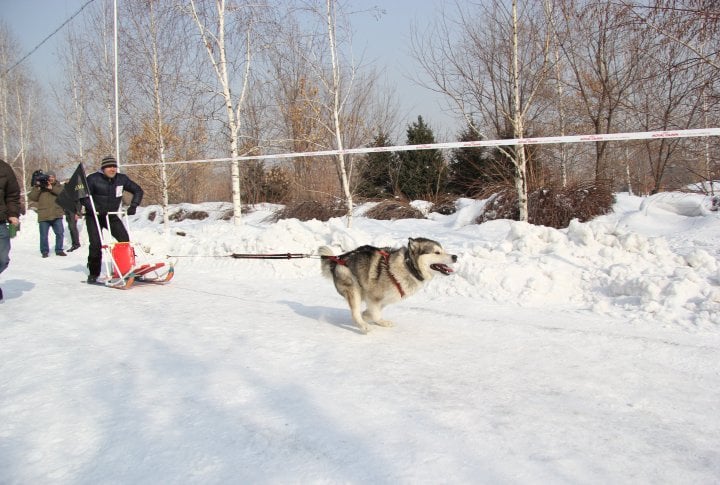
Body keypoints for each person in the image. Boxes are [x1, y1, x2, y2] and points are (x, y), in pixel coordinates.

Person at [83, 155, 143, 283]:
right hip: (94, 216)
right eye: (109, 167)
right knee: (96, 244)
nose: (112, 169)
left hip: (111, 215)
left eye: (114, 167)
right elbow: (82, 196)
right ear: (103, 168)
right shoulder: (93, 179)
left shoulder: (121, 179)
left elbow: (138, 190)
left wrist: (133, 205)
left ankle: (127, 269)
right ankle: (93, 273)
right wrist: (96, 208)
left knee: (124, 241)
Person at [28, 170, 66, 258]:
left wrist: (51, 188)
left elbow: (63, 193)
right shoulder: (40, 187)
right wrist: (38, 188)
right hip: (43, 215)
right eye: (49, 177)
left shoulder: (59, 186)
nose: (51, 179)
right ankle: (44, 251)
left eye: (53, 177)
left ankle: (59, 250)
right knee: (43, 235)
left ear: (55, 178)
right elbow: (32, 197)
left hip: (56, 214)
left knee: (60, 233)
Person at [0, 159, 21, 301]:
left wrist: (13, 214)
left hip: (0, 221)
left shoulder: (4, 168)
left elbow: (12, 195)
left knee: (2, 259)